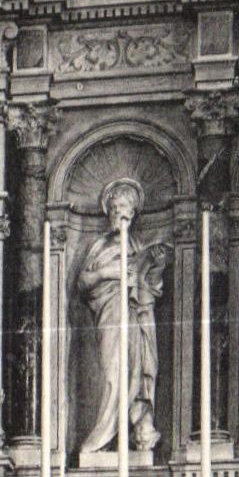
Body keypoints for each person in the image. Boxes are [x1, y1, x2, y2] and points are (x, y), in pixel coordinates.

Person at [78, 179, 169, 455]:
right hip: (110, 314)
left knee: (141, 370)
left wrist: (155, 264)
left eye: (126, 209)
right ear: (108, 212)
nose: (121, 214)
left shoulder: (137, 245)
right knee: (113, 373)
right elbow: (83, 282)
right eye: (116, 208)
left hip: (138, 317)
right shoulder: (100, 246)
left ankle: (139, 431)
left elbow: (151, 287)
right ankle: (103, 437)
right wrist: (110, 273)